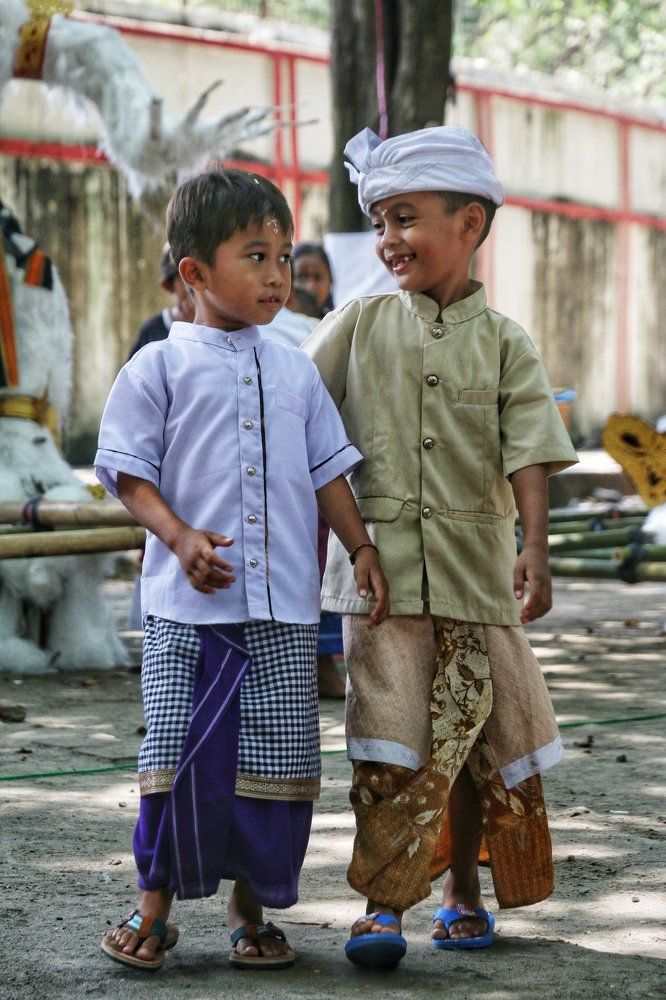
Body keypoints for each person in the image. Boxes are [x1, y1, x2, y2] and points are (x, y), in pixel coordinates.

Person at [95, 168, 389, 972]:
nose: (276, 275)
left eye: (283, 256)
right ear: (193, 272)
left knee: (280, 762)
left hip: (286, 610)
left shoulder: (296, 369)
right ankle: (153, 906)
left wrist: (361, 547)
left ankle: (250, 908)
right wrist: (180, 535)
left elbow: (329, 471)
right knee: (177, 762)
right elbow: (127, 472)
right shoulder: (156, 368)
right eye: (255, 255)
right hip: (187, 613)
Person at [302, 125, 578, 968]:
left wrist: (535, 547)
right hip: (380, 584)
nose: (388, 240)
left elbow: (530, 449)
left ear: (471, 225)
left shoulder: (507, 343)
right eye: (379, 221)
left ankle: (460, 891)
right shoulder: (356, 324)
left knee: (475, 749)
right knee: (388, 746)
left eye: (406, 218)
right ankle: (382, 907)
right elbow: (307, 432)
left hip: (479, 579)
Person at [127, 244, 195, 359]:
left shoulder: (220, 330)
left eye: (197, 277)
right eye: (182, 279)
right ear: (168, 286)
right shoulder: (152, 331)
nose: (191, 287)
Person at [292, 242, 335, 315]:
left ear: (330, 281)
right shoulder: (274, 323)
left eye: (318, 278)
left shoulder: (337, 324)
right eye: (301, 277)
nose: (311, 286)